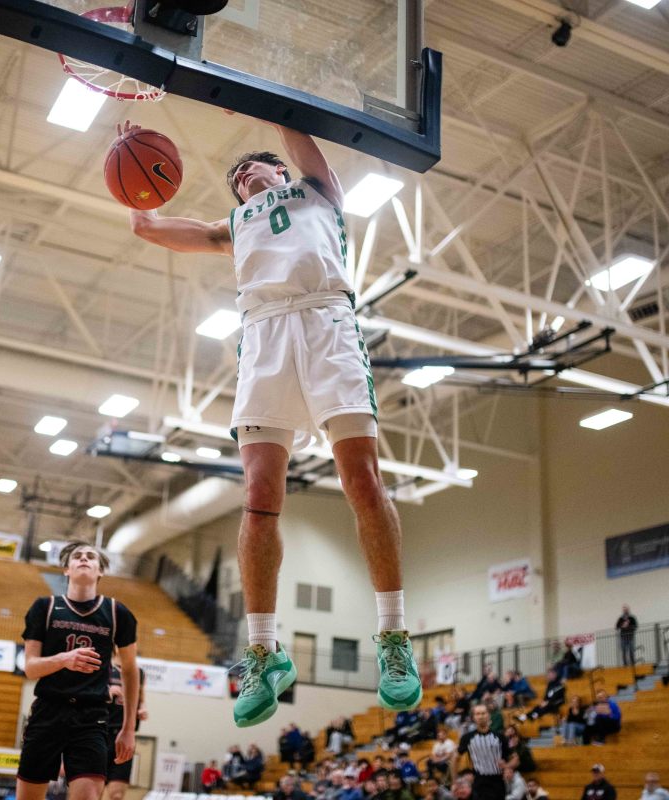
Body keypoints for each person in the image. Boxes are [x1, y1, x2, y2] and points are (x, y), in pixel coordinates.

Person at [127, 118, 422, 724]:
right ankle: (264, 649)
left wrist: (263, 103)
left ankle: (393, 639)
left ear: (279, 172)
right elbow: (151, 227)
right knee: (259, 498)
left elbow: (293, 129)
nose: (241, 177)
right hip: (263, 336)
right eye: (235, 177)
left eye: (251, 168)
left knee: (362, 482)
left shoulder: (317, 190)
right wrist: (137, 195)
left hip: (326, 323)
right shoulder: (233, 225)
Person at [16, 542, 138, 800]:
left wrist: (128, 729)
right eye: (77, 556)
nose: (84, 559)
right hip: (48, 710)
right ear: (66, 569)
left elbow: (130, 670)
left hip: (91, 716)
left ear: (100, 570)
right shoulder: (44, 607)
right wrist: (63, 659)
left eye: (91, 557)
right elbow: (30, 667)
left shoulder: (117, 613)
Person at [103, 651, 146, 800]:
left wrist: (142, 709)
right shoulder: (105, 666)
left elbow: (141, 697)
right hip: (101, 732)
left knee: (117, 795)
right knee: (92, 792)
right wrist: (107, 693)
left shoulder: (139, 672)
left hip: (124, 735)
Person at [454, 706, 515, 800]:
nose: (481, 716)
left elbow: (515, 758)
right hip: (479, 782)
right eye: (477, 714)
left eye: (483, 713)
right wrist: (455, 780)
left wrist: (507, 767)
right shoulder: (467, 738)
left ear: (488, 716)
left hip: (498, 781)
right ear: (473, 717)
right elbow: (455, 759)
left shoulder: (500, 737)